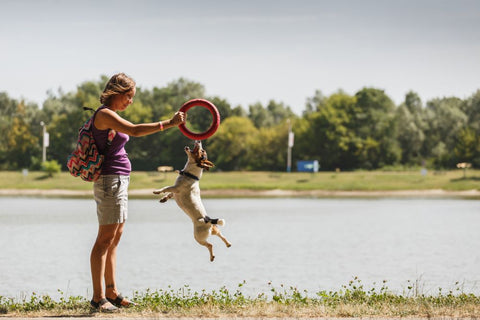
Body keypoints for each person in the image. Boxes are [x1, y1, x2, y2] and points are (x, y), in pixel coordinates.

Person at [89, 73, 186, 312]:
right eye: (129, 96)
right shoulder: (104, 114)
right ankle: (98, 298)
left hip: (119, 181)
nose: (130, 101)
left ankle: (112, 291)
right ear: (117, 93)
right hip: (109, 181)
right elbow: (135, 130)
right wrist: (169, 123)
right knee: (104, 240)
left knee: (114, 239)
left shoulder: (112, 115)